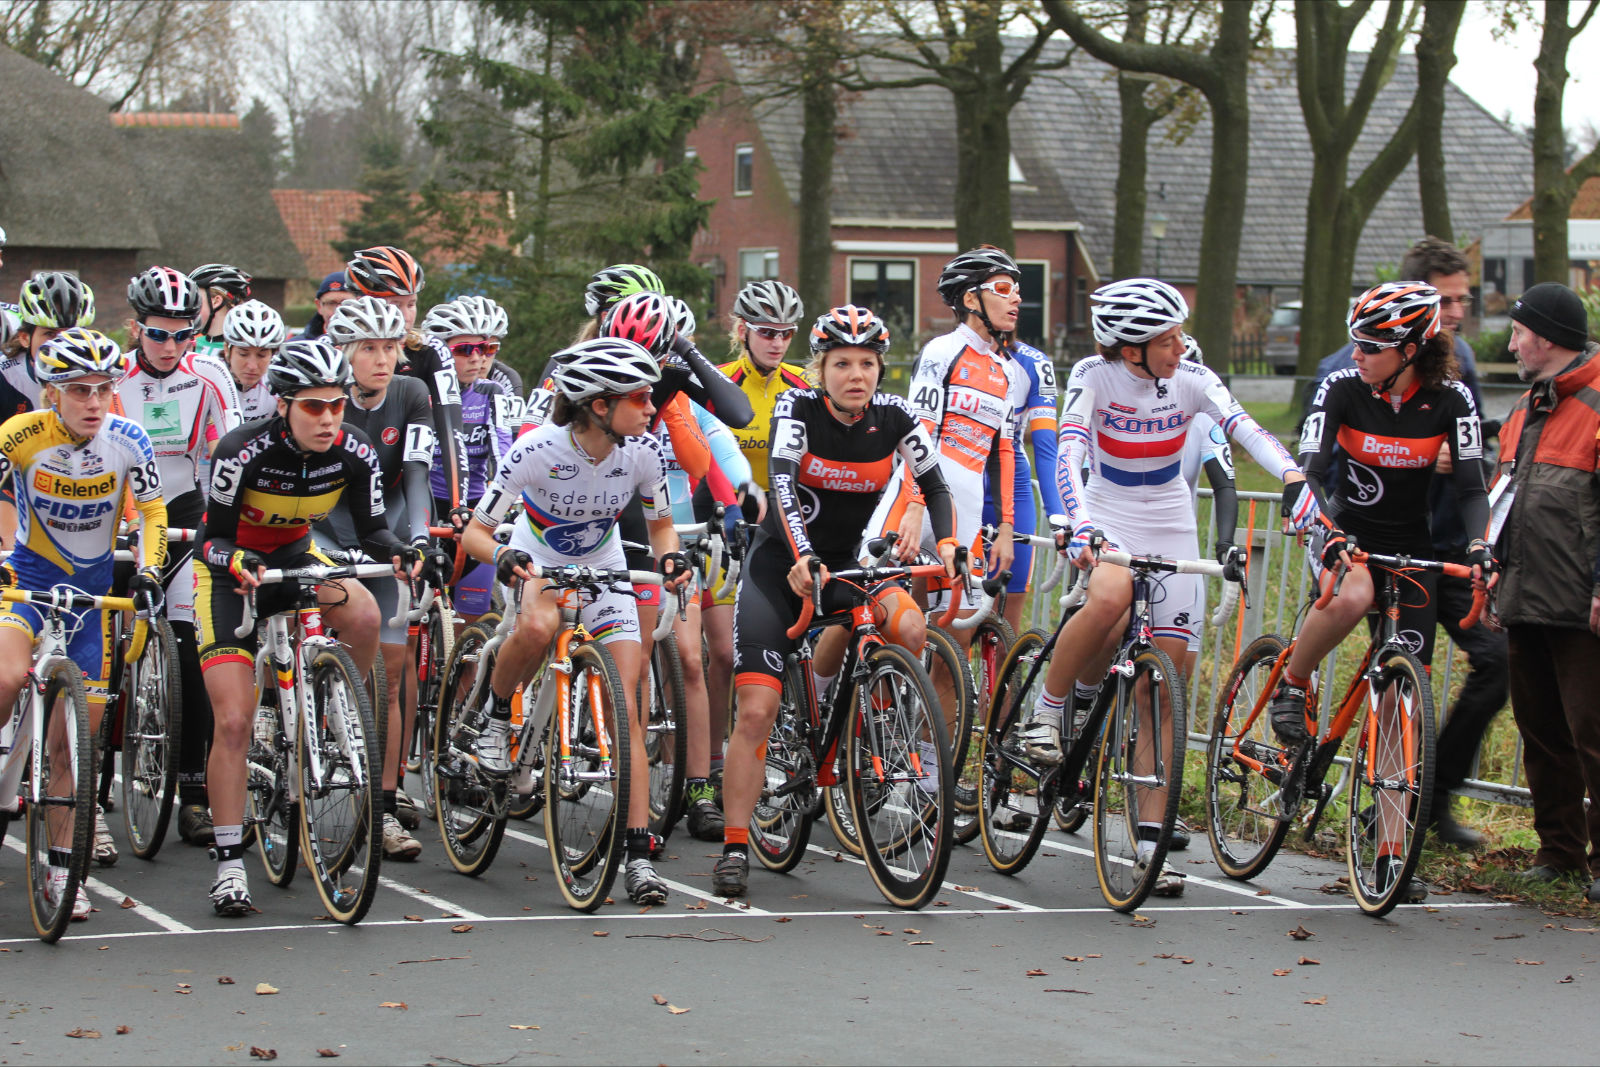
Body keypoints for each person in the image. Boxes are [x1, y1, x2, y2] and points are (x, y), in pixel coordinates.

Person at [1026, 278, 1302, 896]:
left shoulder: (1192, 379)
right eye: (1169, 338)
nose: (1181, 347)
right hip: (1107, 511)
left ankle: (1151, 846)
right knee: (1108, 596)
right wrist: (1076, 521)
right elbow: (1069, 450)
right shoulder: (1094, 376)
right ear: (1132, 348)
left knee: (1160, 691)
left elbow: (1244, 426)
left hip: (1173, 522)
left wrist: (1293, 477)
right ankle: (1047, 712)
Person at [713, 305, 957, 900]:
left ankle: (862, 728)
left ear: (880, 369)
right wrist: (801, 557)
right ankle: (736, 843)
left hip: (845, 565)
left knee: (905, 623)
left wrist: (948, 543)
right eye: (842, 363)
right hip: (781, 568)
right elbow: (784, 490)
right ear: (820, 368)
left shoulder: (895, 418)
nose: (856, 374)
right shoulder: (798, 410)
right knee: (755, 713)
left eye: (867, 363)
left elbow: (935, 484)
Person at [1281, 281, 1493, 900]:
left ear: (1412, 349)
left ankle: (1391, 851)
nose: (1357, 354)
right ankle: (1291, 684)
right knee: (1350, 597)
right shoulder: (1342, 387)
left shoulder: (1450, 398)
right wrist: (1327, 531)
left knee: (1405, 698)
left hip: (1412, 548)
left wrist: (1480, 546)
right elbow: (1312, 469)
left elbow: (1473, 488)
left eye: (1372, 345)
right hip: (1342, 530)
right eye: (1355, 341)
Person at [462, 336, 689, 906]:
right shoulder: (537, 449)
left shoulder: (643, 451)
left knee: (627, 708)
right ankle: (493, 715)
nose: (651, 407)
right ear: (597, 404)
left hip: (605, 562)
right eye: (639, 397)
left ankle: (638, 856)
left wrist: (670, 556)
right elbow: (475, 532)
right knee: (537, 629)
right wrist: (505, 557)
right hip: (538, 556)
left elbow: (662, 525)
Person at [196, 337, 413, 916]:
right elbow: (208, 539)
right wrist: (235, 561)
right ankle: (227, 864)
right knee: (236, 722)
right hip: (231, 575)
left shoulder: (355, 449)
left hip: (295, 559)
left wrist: (405, 550)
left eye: (337, 405)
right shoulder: (241, 450)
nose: (329, 418)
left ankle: (330, 707)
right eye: (314, 407)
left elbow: (372, 531)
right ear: (284, 403)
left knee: (365, 610)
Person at [0, 327, 167, 921]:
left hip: (91, 599)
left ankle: (59, 867)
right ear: (51, 393)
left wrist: (148, 568)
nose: (93, 402)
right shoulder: (19, 437)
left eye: (102, 388)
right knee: (4, 678)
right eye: (78, 390)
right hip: (27, 586)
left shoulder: (130, 440)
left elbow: (151, 511)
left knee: (75, 742)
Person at [119, 265, 242, 850]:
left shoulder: (210, 378)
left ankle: (193, 793)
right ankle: (93, 795)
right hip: (120, 513)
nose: (170, 347)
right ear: (136, 329)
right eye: (157, 334)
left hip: (186, 509)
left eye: (181, 335)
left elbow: (234, 455)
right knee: (102, 652)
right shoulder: (111, 381)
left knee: (194, 651)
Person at [1486, 281, 1600, 900]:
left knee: (1594, 733)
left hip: (1582, 602)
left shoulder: (1598, 404)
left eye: (1519, 332)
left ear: (1548, 338)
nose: (1512, 342)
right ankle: (1559, 851)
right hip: (1526, 594)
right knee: (1541, 731)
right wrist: (1495, 564)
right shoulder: (1528, 406)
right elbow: (1507, 495)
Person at [315, 296, 437, 861]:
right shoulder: (322, 396)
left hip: (380, 532)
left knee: (389, 676)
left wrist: (416, 539)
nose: (383, 358)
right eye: (369, 348)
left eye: (390, 346)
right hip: (320, 528)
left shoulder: (412, 393)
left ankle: (384, 807)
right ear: (344, 352)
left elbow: (415, 474)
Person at [693, 279, 809, 839]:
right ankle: (712, 770)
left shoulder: (804, 385)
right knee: (721, 656)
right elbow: (703, 457)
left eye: (787, 333)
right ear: (742, 331)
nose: (778, 342)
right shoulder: (719, 382)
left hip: (789, 534)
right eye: (767, 332)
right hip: (730, 527)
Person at [344, 246, 469, 518]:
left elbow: (451, 429)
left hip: (402, 487)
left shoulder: (430, 351)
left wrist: (459, 503)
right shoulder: (331, 350)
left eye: (411, 304)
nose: (406, 315)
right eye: (394, 305)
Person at [420, 297, 513, 625]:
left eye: (488, 348)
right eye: (465, 349)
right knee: (411, 622)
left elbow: (503, 452)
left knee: (474, 620)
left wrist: (506, 502)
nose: (478, 358)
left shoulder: (491, 393)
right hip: (427, 505)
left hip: (473, 507)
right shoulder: (420, 393)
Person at [223, 299, 286, 422]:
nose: (252, 366)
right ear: (227, 350)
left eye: (262, 355)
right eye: (243, 354)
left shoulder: (278, 386)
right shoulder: (210, 380)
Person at [188, 263, 253, 359]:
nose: (189, 307)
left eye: (196, 299)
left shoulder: (242, 352)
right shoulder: (188, 345)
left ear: (216, 301)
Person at [300, 271, 354, 341]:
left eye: (346, 303)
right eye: (331, 303)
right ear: (319, 306)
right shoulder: (298, 348)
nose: (338, 309)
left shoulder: (371, 345)